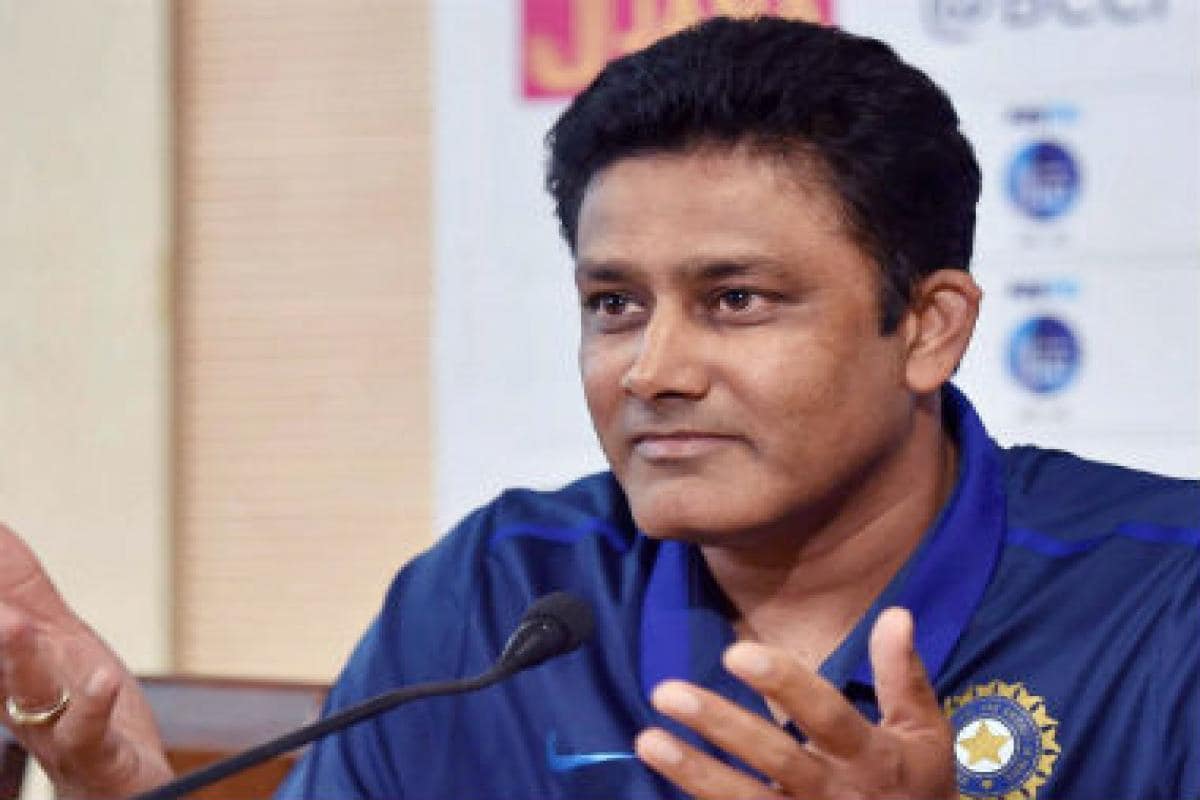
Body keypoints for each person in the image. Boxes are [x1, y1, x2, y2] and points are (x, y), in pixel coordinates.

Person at [1, 15, 1197, 800]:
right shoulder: (498, 594)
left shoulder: (1166, 603)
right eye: (615, 304)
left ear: (928, 326)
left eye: (736, 299)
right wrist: (129, 790)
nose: (651, 369)